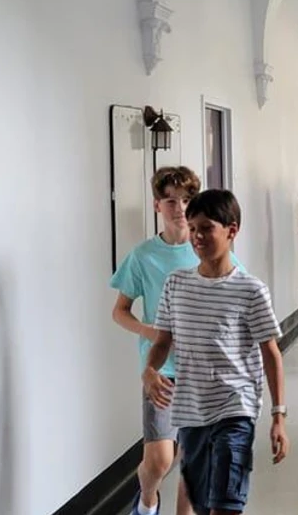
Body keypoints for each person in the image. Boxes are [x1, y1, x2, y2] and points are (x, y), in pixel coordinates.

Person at [143, 189, 290, 515]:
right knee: (202, 504)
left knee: (225, 505)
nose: (197, 236)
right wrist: (150, 370)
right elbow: (162, 342)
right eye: (193, 228)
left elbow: (271, 354)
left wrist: (278, 416)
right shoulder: (176, 285)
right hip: (191, 413)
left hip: (236, 409)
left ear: (231, 230)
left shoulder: (250, 290)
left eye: (207, 228)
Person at [113, 166, 240, 515]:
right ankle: (147, 500)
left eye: (186, 200)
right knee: (159, 460)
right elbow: (120, 311)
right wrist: (150, 331)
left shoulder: (210, 247)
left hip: (203, 373)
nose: (179, 208)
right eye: (170, 201)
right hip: (162, 372)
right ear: (157, 206)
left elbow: (236, 297)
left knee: (194, 463)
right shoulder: (143, 256)